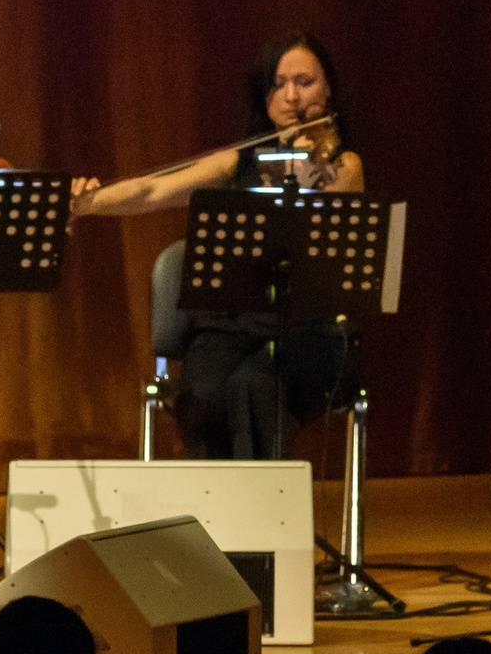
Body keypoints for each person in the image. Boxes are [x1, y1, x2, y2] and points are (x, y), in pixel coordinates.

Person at [75, 31, 365, 458]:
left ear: (328, 90)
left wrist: (308, 168)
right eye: (277, 83)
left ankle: (270, 519)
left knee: (258, 385)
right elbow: (153, 190)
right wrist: (83, 202)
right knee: (205, 393)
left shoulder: (344, 165)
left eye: (304, 82)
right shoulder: (238, 162)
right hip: (231, 329)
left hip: (310, 335)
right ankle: (216, 519)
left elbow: (322, 237)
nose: (290, 96)